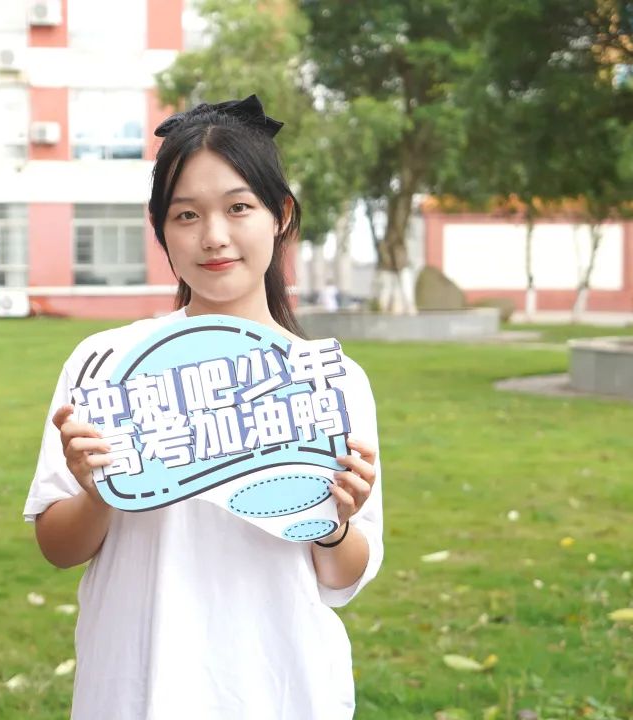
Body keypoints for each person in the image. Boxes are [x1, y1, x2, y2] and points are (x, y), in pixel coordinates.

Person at [24, 95, 384, 720]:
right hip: (137, 684)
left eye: (239, 207)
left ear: (281, 215)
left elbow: (343, 576)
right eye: (186, 215)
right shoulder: (107, 364)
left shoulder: (328, 379)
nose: (213, 237)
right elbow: (58, 547)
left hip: (281, 686)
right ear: (160, 229)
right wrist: (100, 492)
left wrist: (333, 521)